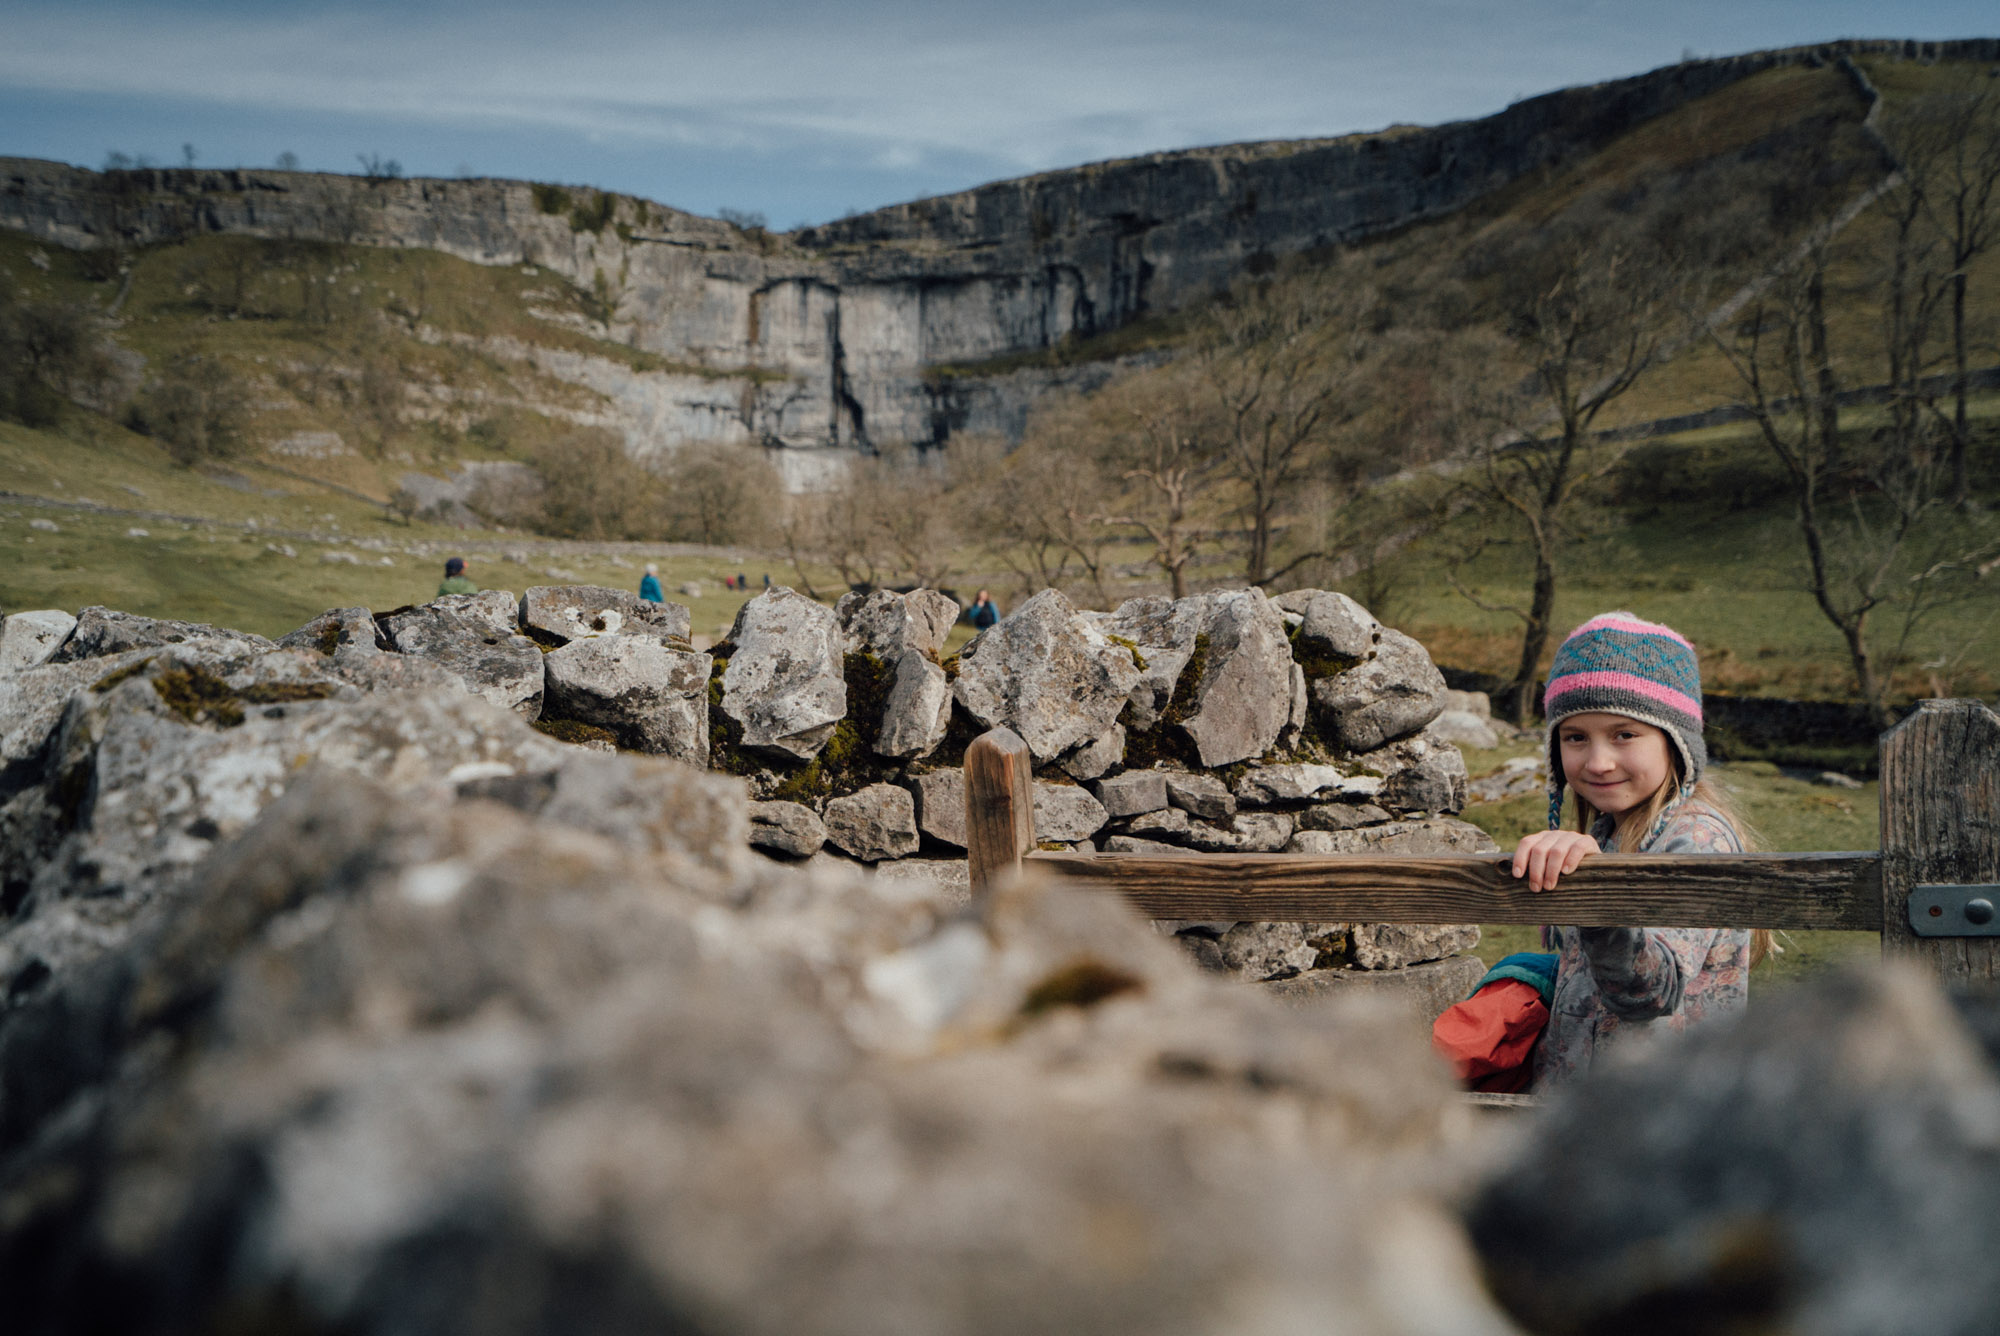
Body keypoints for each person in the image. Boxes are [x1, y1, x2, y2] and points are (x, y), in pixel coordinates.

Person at [1508, 611, 1765, 1088]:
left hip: (1661, 1119)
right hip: (1587, 1113)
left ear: (1675, 742)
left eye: (1624, 734)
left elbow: (1651, 993)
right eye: (1575, 737)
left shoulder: (1698, 841)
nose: (1598, 761)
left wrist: (1596, 893)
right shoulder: (1607, 832)